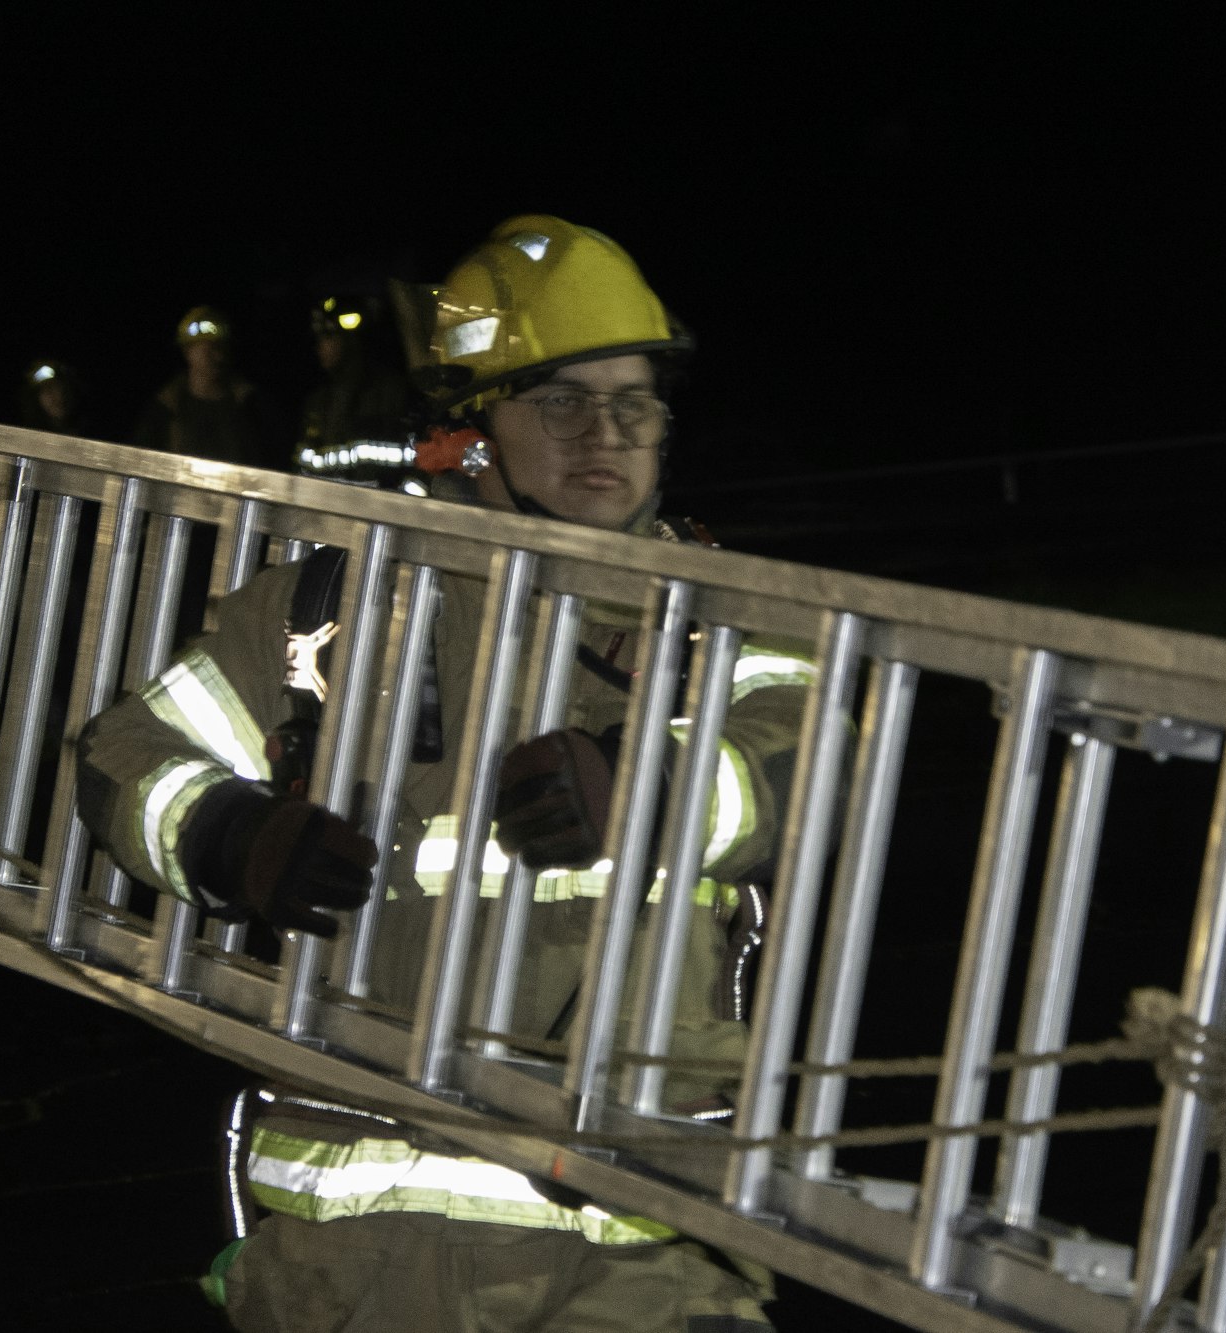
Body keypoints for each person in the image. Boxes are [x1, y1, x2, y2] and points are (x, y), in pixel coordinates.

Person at [75, 216, 812, 1331]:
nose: (603, 433)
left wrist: (645, 789)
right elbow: (123, 758)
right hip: (364, 1270)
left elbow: (810, 754)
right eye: (559, 402)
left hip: (649, 1269)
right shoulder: (324, 608)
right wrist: (233, 837)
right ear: (468, 431)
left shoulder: (721, 619)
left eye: (633, 402)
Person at [133, 305, 282, 468]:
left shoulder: (252, 408)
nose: (218, 356)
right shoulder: (165, 410)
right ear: (187, 351)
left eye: (222, 348)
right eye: (209, 349)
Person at [292, 295, 412, 485]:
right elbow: (303, 468)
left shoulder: (389, 391)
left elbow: (412, 459)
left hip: (381, 508)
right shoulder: (318, 402)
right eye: (318, 339)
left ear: (350, 340)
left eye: (328, 337)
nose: (319, 346)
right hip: (328, 507)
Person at [17, 358, 93, 436]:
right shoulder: (29, 435)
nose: (53, 396)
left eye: (56, 387)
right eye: (46, 391)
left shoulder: (92, 430)